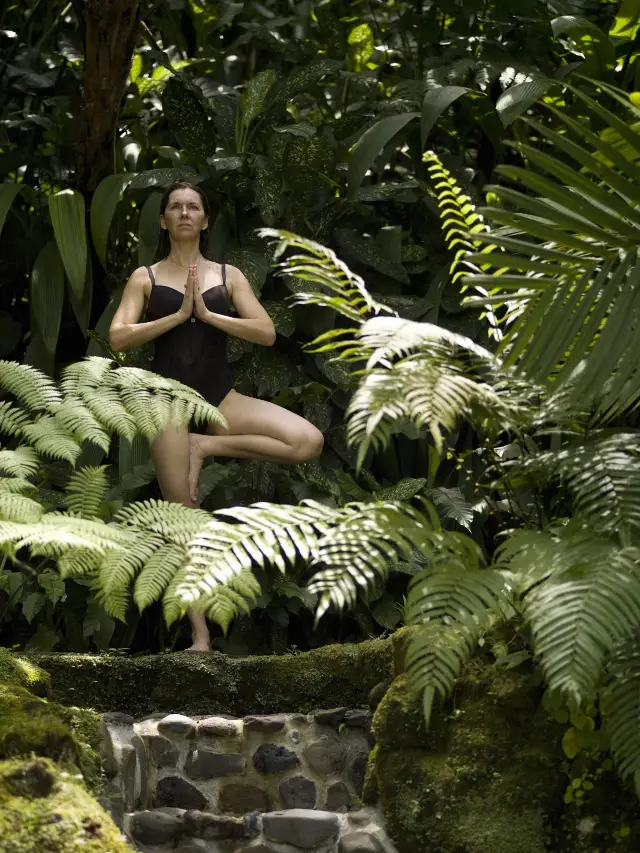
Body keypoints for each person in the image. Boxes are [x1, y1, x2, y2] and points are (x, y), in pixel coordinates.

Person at [109, 180, 324, 651]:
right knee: (183, 512)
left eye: (194, 207)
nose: (185, 213)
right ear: (164, 220)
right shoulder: (145, 276)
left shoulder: (229, 276)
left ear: (205, 221)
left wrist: (208, 315)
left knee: (307, 440)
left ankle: (206, 445)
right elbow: (118, 337)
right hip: (166, 401)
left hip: (219, 397)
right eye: (175, 207)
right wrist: (176, 315)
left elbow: (266, 332)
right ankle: (200, 636)